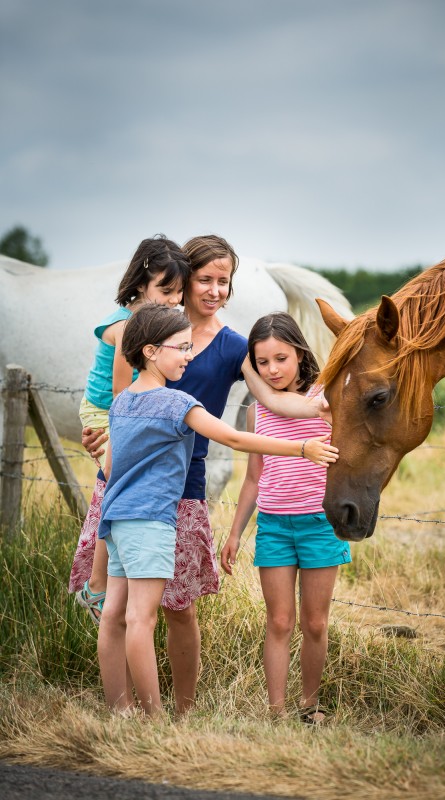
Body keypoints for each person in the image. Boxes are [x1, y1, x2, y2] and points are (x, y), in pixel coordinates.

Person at [69, 233, 328, 714]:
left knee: (178, 607)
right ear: (184, 282)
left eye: (223, 281)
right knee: (124, 611)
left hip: (184, 487)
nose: (213, 290)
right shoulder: (151, 333)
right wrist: (98, 441)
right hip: (128, 484)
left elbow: (272, 399)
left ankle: (180, 713)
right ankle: (129, 710)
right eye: (203, 279)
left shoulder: (232, 347)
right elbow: (115, 409)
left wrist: (326, 407)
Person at [221, 313, 351, 725]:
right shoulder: (256, 412)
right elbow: (254, 479)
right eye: (262, 363)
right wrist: (235, 533)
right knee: (278, 621)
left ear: (299, 353)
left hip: (319, 525)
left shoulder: (325, 401)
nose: (273, 370)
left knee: (315, 622)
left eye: (281, 358)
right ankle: (275, 711)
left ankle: (309, 707)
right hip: (275, 526)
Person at [75, 235, 190, 621]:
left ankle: (101, 584)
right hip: (106, 411)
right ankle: (96, 586)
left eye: (179, 292)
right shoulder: (129, 326)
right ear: (141, 284)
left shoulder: (145, 321)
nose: (174, 299)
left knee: (117, 487)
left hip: (118, 411)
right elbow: (122, 391)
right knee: (117, 482)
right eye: (166, 289)